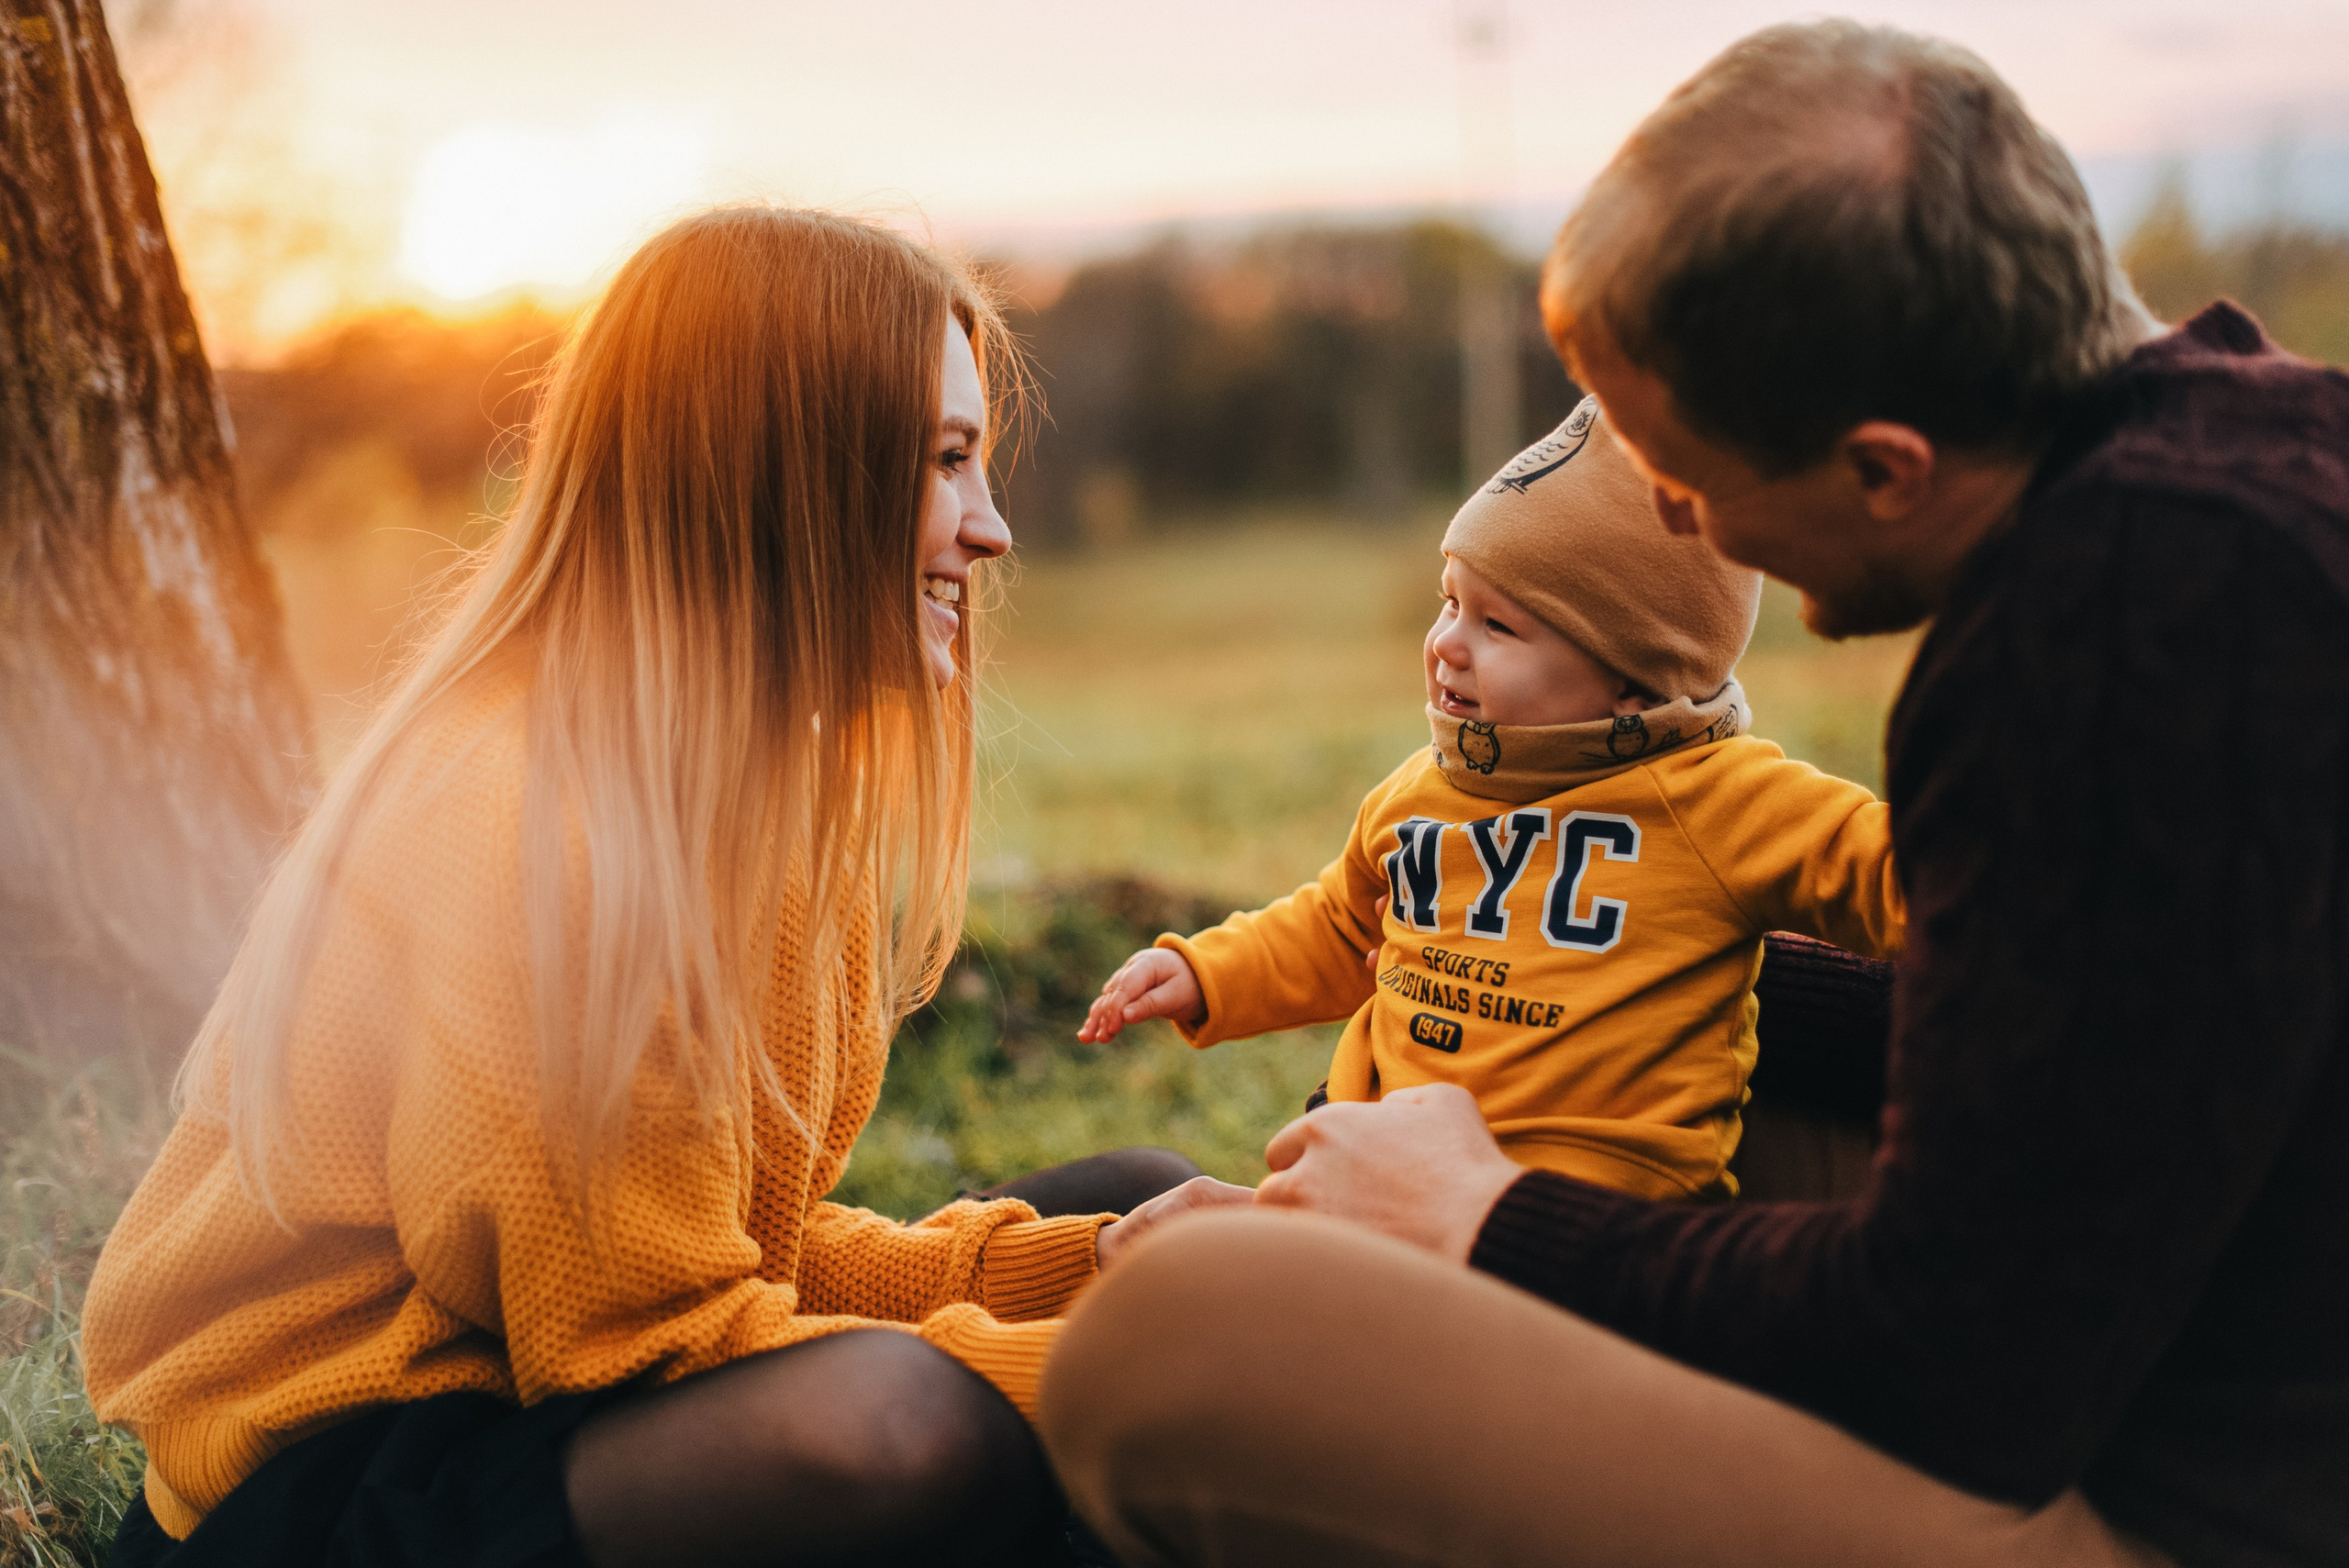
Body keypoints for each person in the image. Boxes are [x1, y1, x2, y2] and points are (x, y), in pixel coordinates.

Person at [1040, 21, 2349, 1568]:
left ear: (1885, 466)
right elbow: (2136, 1029)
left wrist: (1482, 1213)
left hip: (2190, 1498)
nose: (1671, 513)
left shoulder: (2105, 626)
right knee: (1751, 1083)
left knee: (1173, 1340)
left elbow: (1962, 1358)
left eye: (1688, 468)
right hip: (2195, 1316)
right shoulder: (2267, 449)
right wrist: (1613, 955)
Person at [82, 206, 1223, 1568]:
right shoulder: (524, 815)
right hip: (322, 1491)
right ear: (778, 471)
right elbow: (643, 1347)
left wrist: (1077, 1276)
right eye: (947, 462)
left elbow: (747, 1252)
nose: (992, 529)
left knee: (1148, 1212)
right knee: (910, 1426)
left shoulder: (754, 790)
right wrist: (1104, 1381)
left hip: (530, 1408)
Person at [1079, 395, 1901, 1201]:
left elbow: (1899, 872)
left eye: (1497, 626)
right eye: (1449, 602)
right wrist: (1204, 969)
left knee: (1205, 1268)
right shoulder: (1422, 793)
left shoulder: (1720, 800)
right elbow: (1336, 924)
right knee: (1173, 1238)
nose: (1445, 644)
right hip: (1387, 1176)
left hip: (1583, 1221)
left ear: (1629, 678)